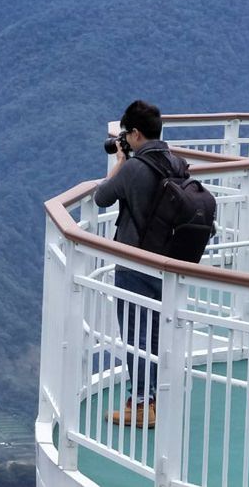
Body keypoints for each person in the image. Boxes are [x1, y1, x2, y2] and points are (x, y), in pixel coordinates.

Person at [94, 100, 188, 428]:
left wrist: (120, 162)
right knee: (158, 333)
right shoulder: (177, 163)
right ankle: (157, 400)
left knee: (136, 336)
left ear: (134, 133)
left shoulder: (134, 168)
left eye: (126, 135)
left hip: (135, 261)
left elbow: (101, 197)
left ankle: (140, 404)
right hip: (169, 260)